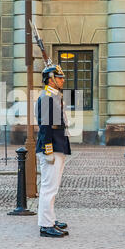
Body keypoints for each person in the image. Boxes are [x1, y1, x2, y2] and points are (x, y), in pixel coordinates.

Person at [36, 64, 71, 238]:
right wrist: (48, 149)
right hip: (51, 146)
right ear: (51, 79)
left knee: (53, 187)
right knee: (48, 188)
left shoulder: (54, 96)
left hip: (59, 144)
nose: (63, 80)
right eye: (59, 77)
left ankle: (50, 219)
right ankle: (45, 225)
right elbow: (45, 126)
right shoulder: (47, 97)